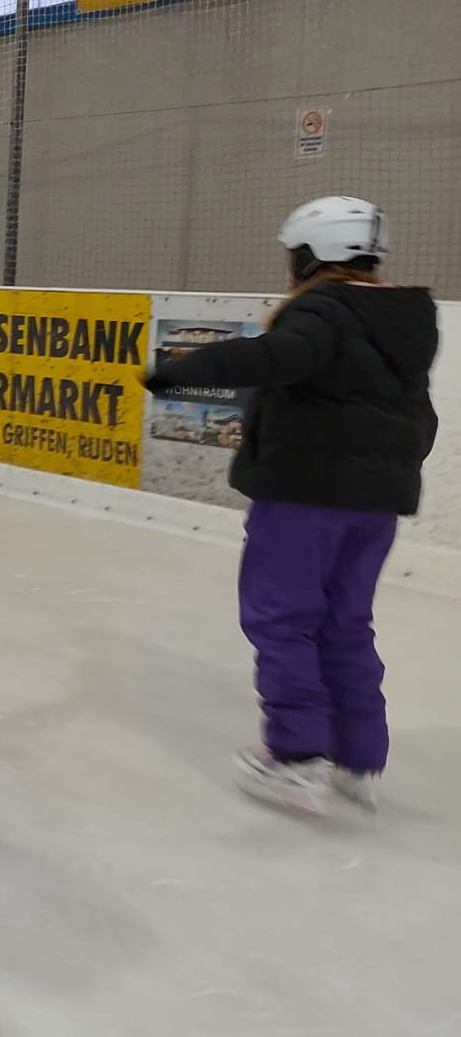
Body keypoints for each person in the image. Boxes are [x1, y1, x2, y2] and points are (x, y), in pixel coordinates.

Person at [144, 196, 438, 816]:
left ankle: (297, 757)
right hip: (375, 509)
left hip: (305, 498)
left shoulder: (323, 313)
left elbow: (272, 358)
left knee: (282, 618)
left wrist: (178, 371)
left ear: (311, 255)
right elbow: (423, 420)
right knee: (345, 622)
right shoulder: (402, 323)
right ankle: (358, 755)